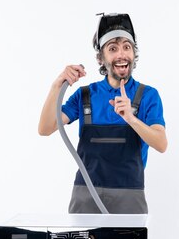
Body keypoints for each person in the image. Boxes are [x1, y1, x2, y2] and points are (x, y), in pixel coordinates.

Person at [38, 13, 167, 213]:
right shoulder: (85, 96)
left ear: (134, 54)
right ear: (101, 58)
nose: (122, 54)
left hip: (130, 195)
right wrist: (57, 86)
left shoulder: (148, 95)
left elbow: (161, 143)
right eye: (113, 49)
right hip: (86, 196)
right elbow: (45, 129)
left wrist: (131, 119)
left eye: (127, 47)